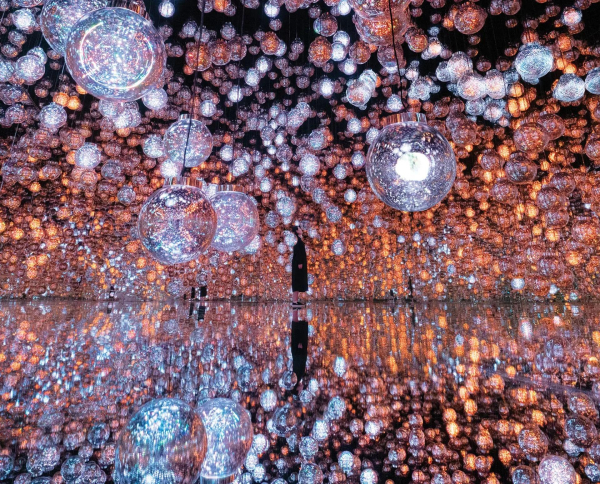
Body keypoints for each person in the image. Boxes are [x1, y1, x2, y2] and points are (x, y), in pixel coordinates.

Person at [291, 308, 308, 387]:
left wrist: (299, 350)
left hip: (299, 349)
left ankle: (301, 309)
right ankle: (299, 309)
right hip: (298, 350)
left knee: (299, 329)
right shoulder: (298, 376)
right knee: (297, 327)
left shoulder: (298, 375)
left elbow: (299, 362)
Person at [291, 226, 308, 307]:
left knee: (298, 281)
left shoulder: (298, 239)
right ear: (297, 231)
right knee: (296, 281)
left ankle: (296, 301)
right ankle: (294, 301)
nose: (301, 229)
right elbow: (298, 252)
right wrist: (300, 262)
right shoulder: (297, 240)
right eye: (299, 228)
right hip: (298, 263)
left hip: (299, 263)